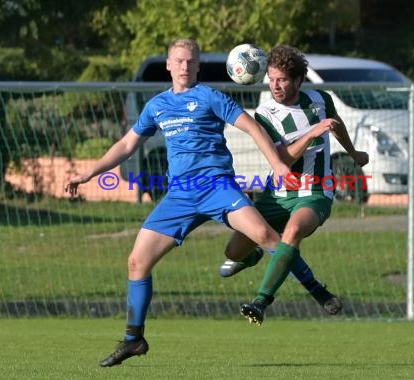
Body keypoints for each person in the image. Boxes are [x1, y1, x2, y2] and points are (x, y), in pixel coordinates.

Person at [65, 38, 295, 367]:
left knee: (268, 237)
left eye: (191, 61)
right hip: (179, 196)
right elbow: (126, 144)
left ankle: (318, 291)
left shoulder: (210, 97)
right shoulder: (157, 105)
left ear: (198, 65)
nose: (185, 66)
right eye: (179, 61)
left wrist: (276, 164)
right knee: (136, 262)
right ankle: (134, 340)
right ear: (169, 65)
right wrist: (89, 172)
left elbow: (252, 127)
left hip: (216, 186)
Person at [221, 45, 369, 325]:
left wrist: (353, 153)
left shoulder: (320, 99)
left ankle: (261, 302)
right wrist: (313, 132)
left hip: (316, 190)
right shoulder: (265, 114)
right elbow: (281, 158)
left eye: (283, 80)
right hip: (276, 194)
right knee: (232, 252)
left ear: (299, 80)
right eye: (271, 79)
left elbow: (335, 125)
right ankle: (253, 257)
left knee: (293, 230)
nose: (275, 86)